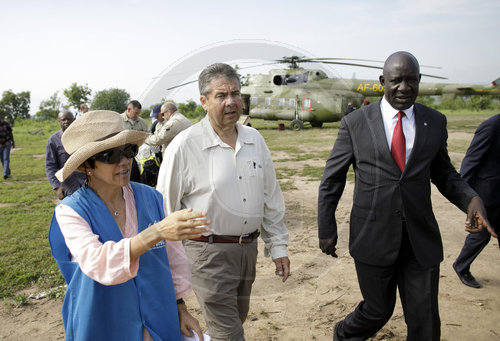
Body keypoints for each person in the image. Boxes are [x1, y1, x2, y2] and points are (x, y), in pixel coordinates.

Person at [317, 51, 496, 341]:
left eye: (411, 80)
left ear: (419, 81)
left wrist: (471, 199)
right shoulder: (356, 123)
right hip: (372, 236)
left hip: (420, 239)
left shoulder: (435, 121)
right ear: (382, 82)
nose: (404, 87)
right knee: (377, 310)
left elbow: (444, 172)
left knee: (425, 319)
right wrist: (327, 229)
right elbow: (331, 180)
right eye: (396, 81)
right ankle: (344, 334)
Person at [156, 63, 290, 341]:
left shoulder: (255, 140)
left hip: (247, 252)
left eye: (235, 94)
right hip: (206, 254)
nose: (231, 102)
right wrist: (171, 280)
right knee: (229, 333)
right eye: (221, 95)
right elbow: (164, 209)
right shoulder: (184, 146)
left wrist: (278, 247)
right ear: (203, 101)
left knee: (233, 322)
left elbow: (270, 197)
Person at [48, 110, 210, 340]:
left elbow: (172, 259)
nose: (124, 161)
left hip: (157, 312)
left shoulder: (151, 198)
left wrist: (180, 308)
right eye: (110, 155)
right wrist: (157, 232)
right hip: (103, 318)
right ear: (86, 166)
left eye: (128, 151)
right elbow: (97, 262)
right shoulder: (71, 212)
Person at [453, 114, 500, 288]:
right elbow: (471, 161)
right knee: (480, 237)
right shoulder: (491, 126)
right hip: (486, 195)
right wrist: (466, 197)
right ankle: (461, 266)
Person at [45, 110, 86, 199]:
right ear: (59, 121)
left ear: (74, 120)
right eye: (63, 120)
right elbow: (50, 166)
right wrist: (57, 187)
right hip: (67, 186)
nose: (66, 122)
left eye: (69, 119)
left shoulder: (83, 137)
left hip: (86, 182)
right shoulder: (53, 141)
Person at [121, 100, 148, 182]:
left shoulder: (142, 122)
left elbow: (147, 136)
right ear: (128, 109)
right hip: (122, 155)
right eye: (135, 113)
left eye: (139, 113)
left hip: (139, 156)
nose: (137, 115)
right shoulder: (118, 120)